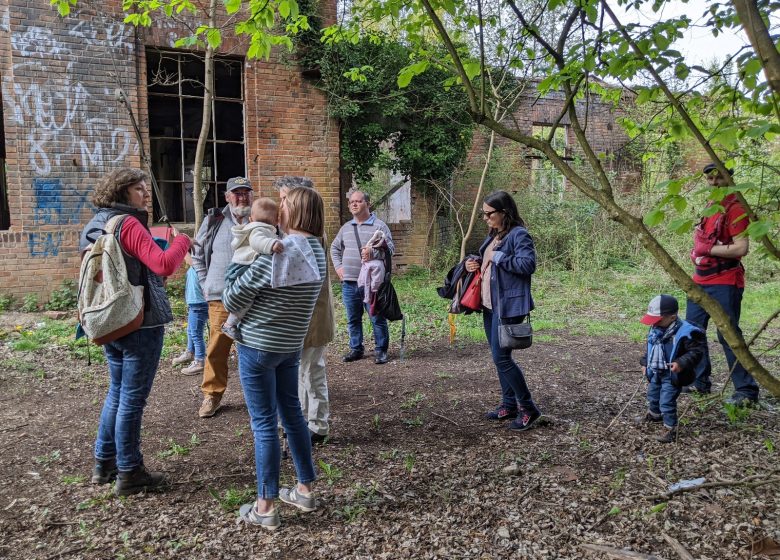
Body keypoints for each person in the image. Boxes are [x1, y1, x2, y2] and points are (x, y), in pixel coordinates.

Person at [79, 167, 191, 495]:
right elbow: (165, 264)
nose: (145, 194)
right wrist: (183, 239)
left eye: (145, 188)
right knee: (131, 398)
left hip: (108, 318)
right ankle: (130, 471)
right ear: (122, 191)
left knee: (117, 391)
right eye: (139, 189)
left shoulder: (94, 223)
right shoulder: (128, 223)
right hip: (139, 321)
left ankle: (104, 465)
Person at [223, 186, 326, 531]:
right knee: (293, 415)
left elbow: (234, 299)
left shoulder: (279, 251)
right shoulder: (317, 250)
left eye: (283, 202)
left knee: (264, 423)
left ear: (294, 210)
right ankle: (304, 489)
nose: (277, 207)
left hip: (257, 346)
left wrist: (232, 271)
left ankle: (265, 506)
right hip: (290, 346)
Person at [464, 191, 542, 432]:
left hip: (508, 306)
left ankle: (528, 409)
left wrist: (500, 257)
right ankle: (508, 404)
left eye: (489, 214)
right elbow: (487, 259)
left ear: (504, 213)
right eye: (483, 214)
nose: (485, 218)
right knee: (499, 357)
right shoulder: (495, 234)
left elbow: (528, 264)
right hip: (489, 304)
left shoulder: (519, 235)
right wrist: (473, 261)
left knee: (502, 358)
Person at [685, 163, 759, 406]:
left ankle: (746, 391)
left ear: (730, 178)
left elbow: (741, 248)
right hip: (700, 279)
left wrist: (707, 249)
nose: (714, 182)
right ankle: (700, 382)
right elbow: (704, 240)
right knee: (693, 331)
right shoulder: (710, 207)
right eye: (710, 178)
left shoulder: (736, 208)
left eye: (719, 177)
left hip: (725, 281)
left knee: (728, 334)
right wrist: (697, 252)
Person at [276, 176, 335, 444]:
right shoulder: (293, 237)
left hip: (312, 316)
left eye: (286, 200)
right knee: (302, 372)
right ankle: (301, 422)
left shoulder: (307, 239)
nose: (281, 205)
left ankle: (317, 425)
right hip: (300, 318)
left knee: (311, 371)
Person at [191, 176, 254, 418]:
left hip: (254, 296)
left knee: (255, 344)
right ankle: (212, 395)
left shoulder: (259, 218)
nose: (242, 197)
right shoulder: (215, 219)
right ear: (227, 197)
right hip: (220, 296)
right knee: (217, 347)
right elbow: (197, 253)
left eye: (246, 192)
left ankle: (258, 393)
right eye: (236, 193)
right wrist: (204, 283)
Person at [331, 190, 395, 365]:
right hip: (349, 282)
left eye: (358, 201)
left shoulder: (379, 226)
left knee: (377, 317)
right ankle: (356, 348)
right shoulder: (345, 228)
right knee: (353, 318)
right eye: (351, 201)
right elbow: (334, 248)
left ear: (367, 203)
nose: (354, 204)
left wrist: (373, 252)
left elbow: (390, 249)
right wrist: (338, 267)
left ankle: (381, 350)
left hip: (371, 283)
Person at [639, 295, 707, 443]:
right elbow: (650, 350)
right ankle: (654, 414)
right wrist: (645, 363)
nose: (654, 324)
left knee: (667, 401)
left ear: (672, 317)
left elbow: (696, 352)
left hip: (672, 374)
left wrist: (681, 363)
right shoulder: (656, 330)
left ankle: (670, 427)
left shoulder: (687, 332)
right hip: (656, 371)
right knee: (653, 394)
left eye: (658, 320)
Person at [221, 197, 284, 341]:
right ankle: (229, 324)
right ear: (277, 220)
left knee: (248, 296)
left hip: (241, 265)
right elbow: (257, 242)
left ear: (250, 217)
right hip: (241, 268)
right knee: (246, 298)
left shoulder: (257, 227)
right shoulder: (259, 229)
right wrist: (272, 244)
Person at [172, 252, 209, 375]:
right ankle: (190, 353)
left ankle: (199, 361)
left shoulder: (200, 263)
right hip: (194, 303)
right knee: (190, 330)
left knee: (196, 333)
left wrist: (180, 239)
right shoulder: (195, 264)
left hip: (199, 304)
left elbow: (189, 260)